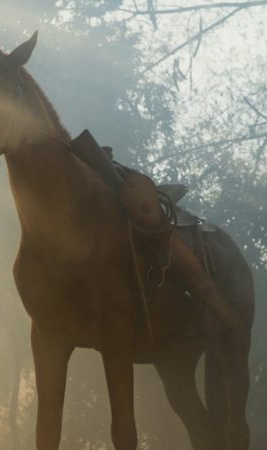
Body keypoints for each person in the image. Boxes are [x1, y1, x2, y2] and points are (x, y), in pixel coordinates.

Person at [72, 130, 243, 335]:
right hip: (108, 185)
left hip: (134, 196)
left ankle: (224, 319)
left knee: (191, 270)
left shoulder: (127, 182)